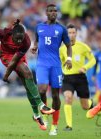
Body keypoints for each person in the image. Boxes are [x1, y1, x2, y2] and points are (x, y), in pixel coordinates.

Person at [31, 4, 72, 136]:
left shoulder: (61, 29)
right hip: (42, 64)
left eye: (55, 11)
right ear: (46, 13)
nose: (54, 13)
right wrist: (35, 46)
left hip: (55, 65)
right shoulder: (39, 27)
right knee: (42, 90)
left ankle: (54, 126)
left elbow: (68, 45)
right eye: (51, 11)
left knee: (55, 95)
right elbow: (37, 41)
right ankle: (45, 115)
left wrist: (69, 58)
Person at [60, 24, 95, 131]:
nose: (71, 35)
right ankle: (69, 126)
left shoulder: (83, 46)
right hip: (67, 78)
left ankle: (92, 104)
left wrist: (85, 67)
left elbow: (93, 60)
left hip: (80, 78)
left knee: (85, 106)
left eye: (73, 32)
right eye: (69, 33)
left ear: (76, 33)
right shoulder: (62, 49)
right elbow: (60, 62)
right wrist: (63, 67)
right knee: (68, 98)